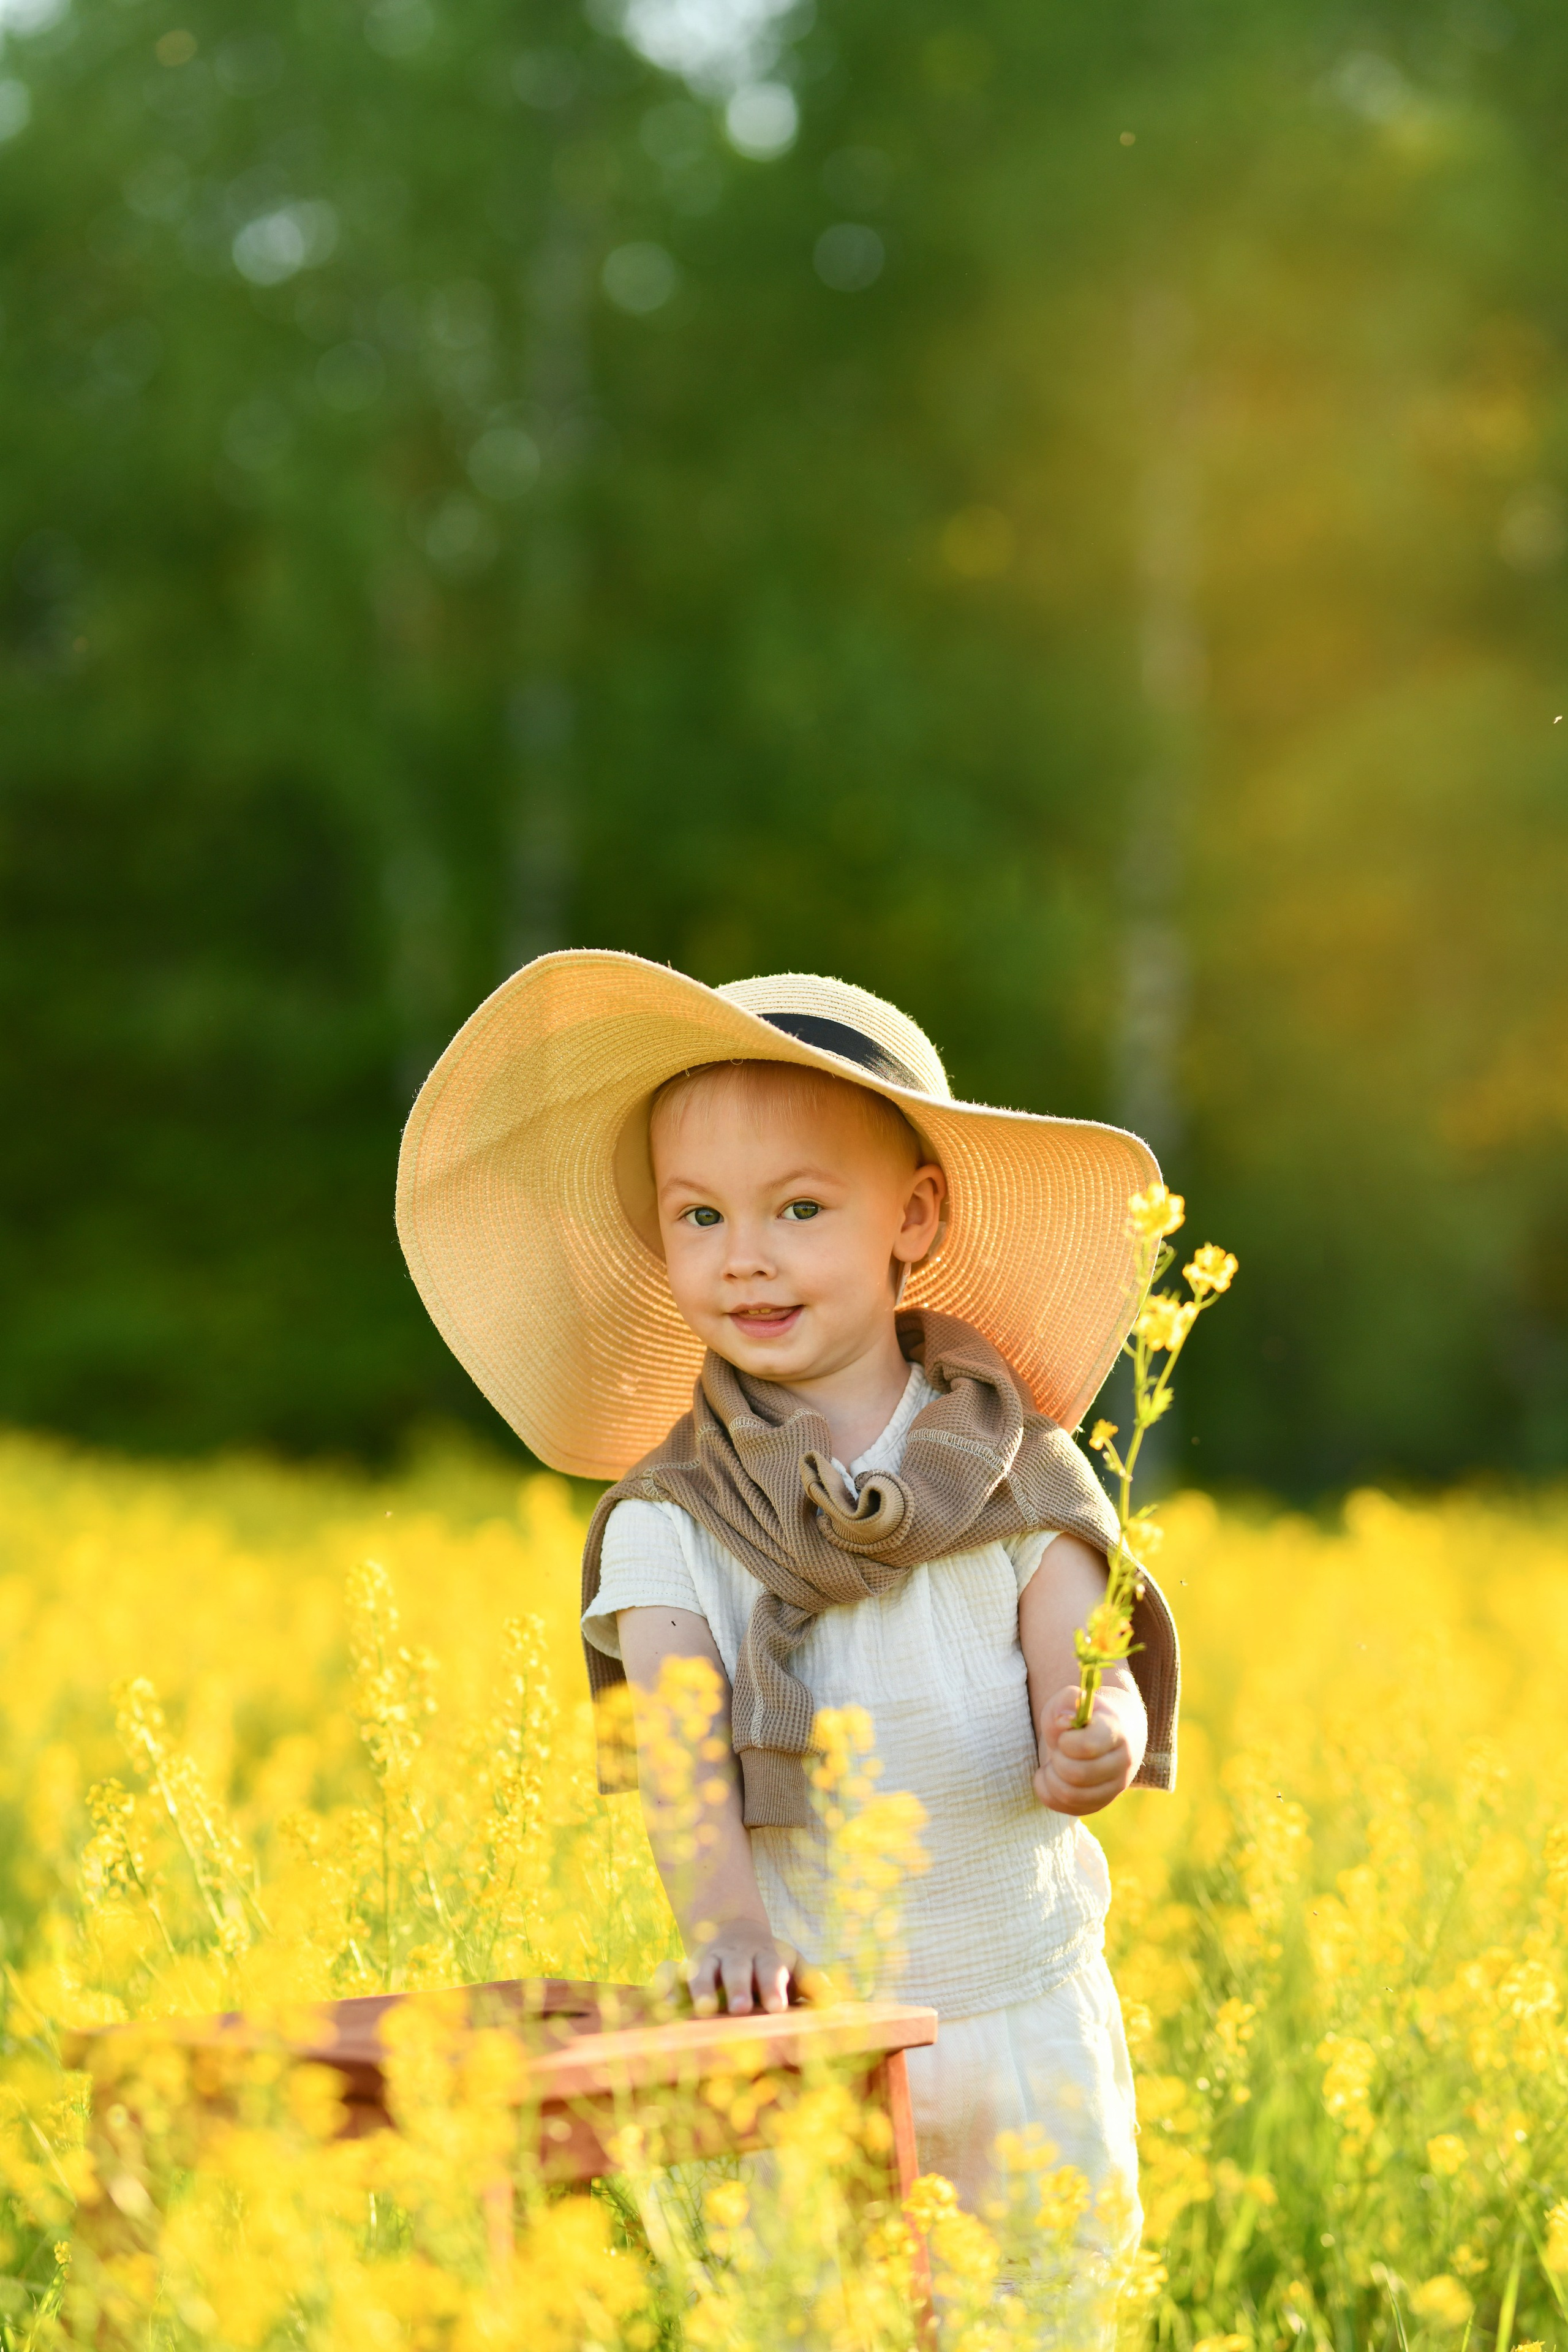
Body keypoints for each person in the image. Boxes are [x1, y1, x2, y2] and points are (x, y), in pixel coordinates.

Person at [395, 951, 1180, 2288]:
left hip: (1028, 2011)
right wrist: (727, 1931)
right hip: (816, 2033)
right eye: (696, 1217)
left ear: (912, 1219)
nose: (743, 1256)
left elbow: (1078, 1647)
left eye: (799, 1208)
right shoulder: (670, 1523)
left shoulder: (1013, 1465)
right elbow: (679, 1753)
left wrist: (1093, 1730)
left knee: (1054, 2305)